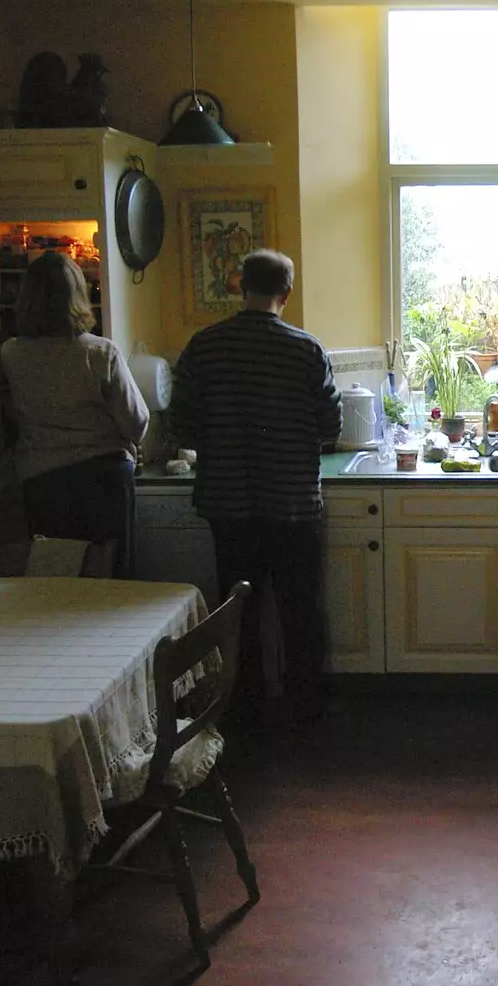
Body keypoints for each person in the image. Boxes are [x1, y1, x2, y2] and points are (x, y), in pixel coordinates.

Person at [169, 249, 342, 729]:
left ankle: (244, 708)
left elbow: (179, 425)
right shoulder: (305, 349)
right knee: (299, 611)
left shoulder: (204, 346)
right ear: (287, 293)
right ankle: (307, 708)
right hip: (292, 503)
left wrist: (222, 433)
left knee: (238, 612)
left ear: (240, 286)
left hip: (229, 504)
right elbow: (331, 423)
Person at [0, 252, 148, 576]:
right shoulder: (99, 352)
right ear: (77, 296)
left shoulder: (10, 353)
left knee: (56, 575)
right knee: (111, 577)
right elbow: (136, 421)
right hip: (103, 477)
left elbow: (9, 412)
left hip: (41, 478)